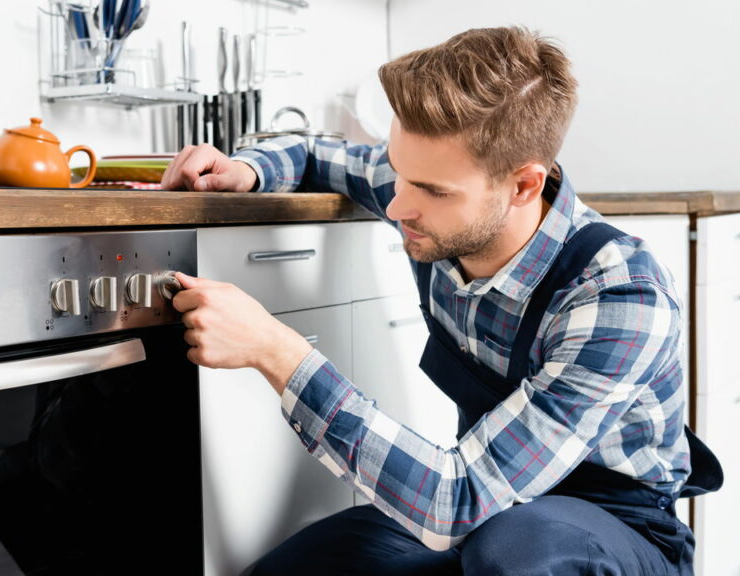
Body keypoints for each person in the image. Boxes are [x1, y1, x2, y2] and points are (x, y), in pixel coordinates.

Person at [161, 26, 722, 575]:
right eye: (401, 172)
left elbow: (455, 500)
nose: (398, 205)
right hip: (486, 505)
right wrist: (250, 168)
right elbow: (317, 153)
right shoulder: (431, 184)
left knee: (517, 552)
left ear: (524, 185)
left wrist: (275, 350)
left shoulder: (619, 297)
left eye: (431, 191)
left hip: (609, 528)